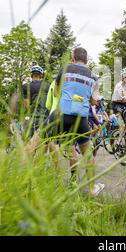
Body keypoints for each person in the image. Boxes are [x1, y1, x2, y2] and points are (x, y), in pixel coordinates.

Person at [48, 47, 104, 196]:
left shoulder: (65, 68)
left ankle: (28, 182)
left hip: (60, 114)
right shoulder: (93, 77)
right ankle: (92, 189)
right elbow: (94, 101)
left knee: (36, 143)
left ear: (73, 58)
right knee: (88, 155)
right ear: (87, 60)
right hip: (80, 118)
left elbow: (56, 91)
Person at [22, 65, 50, 136]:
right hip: (45, 118)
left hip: (32, 118)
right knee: (45, 141)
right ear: (41, 75)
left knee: (29, 140)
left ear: (32, 75)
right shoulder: (47, 85)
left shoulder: (26, 86)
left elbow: (26, 106)